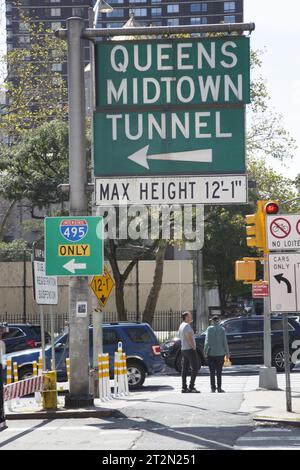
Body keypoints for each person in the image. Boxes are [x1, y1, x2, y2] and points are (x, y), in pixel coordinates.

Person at [204, 316, 230, 393]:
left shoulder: (209, 329)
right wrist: (227, 353)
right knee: (219, 371)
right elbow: (224, 342)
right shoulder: (222, 329)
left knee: (212, 372)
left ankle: (213, 388)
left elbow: (207, 341)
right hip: (220, 353)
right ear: (218, 321)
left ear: (212, 321)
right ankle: (219, 387)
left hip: (211, 353)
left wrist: (205, 351)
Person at [178, 311, 200, 393]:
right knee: (195, 368)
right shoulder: (187, 326)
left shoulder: (181, 325)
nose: (191, 317)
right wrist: (193, 346)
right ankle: (191, 387)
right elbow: (189, 337)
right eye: (190, 316)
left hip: (183, 349)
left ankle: (184, 387)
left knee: (185, 369)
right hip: (190, 349)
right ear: (186, 317)